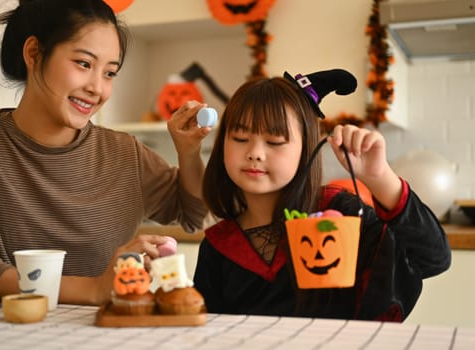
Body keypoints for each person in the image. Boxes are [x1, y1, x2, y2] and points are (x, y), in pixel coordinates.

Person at [0, 0, 211, 307]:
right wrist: (92, 289)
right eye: (84, 64)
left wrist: (189, 152)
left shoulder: (125, 154)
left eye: (110, 73)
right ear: (34, 54)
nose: (97, 88)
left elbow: (193, 213)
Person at [193, 69, 451, 321]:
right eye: (239, 137)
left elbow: (432, 258)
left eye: (274, 141)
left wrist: (380, 177)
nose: (255, 153)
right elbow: (207, 331)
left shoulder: (341, 214)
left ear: (305, 148)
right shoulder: (218, 246)